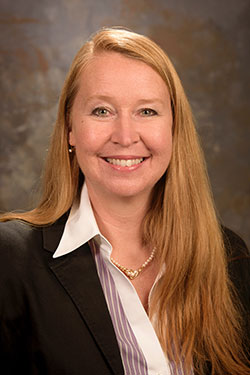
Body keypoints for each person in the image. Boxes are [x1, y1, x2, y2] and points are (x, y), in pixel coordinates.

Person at [0, 27, 249, 375]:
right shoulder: (10, 262)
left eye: (147, 111)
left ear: (174, 128)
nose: (126, 136)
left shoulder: (229, 258)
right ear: (70, 128)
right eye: (102, 111)